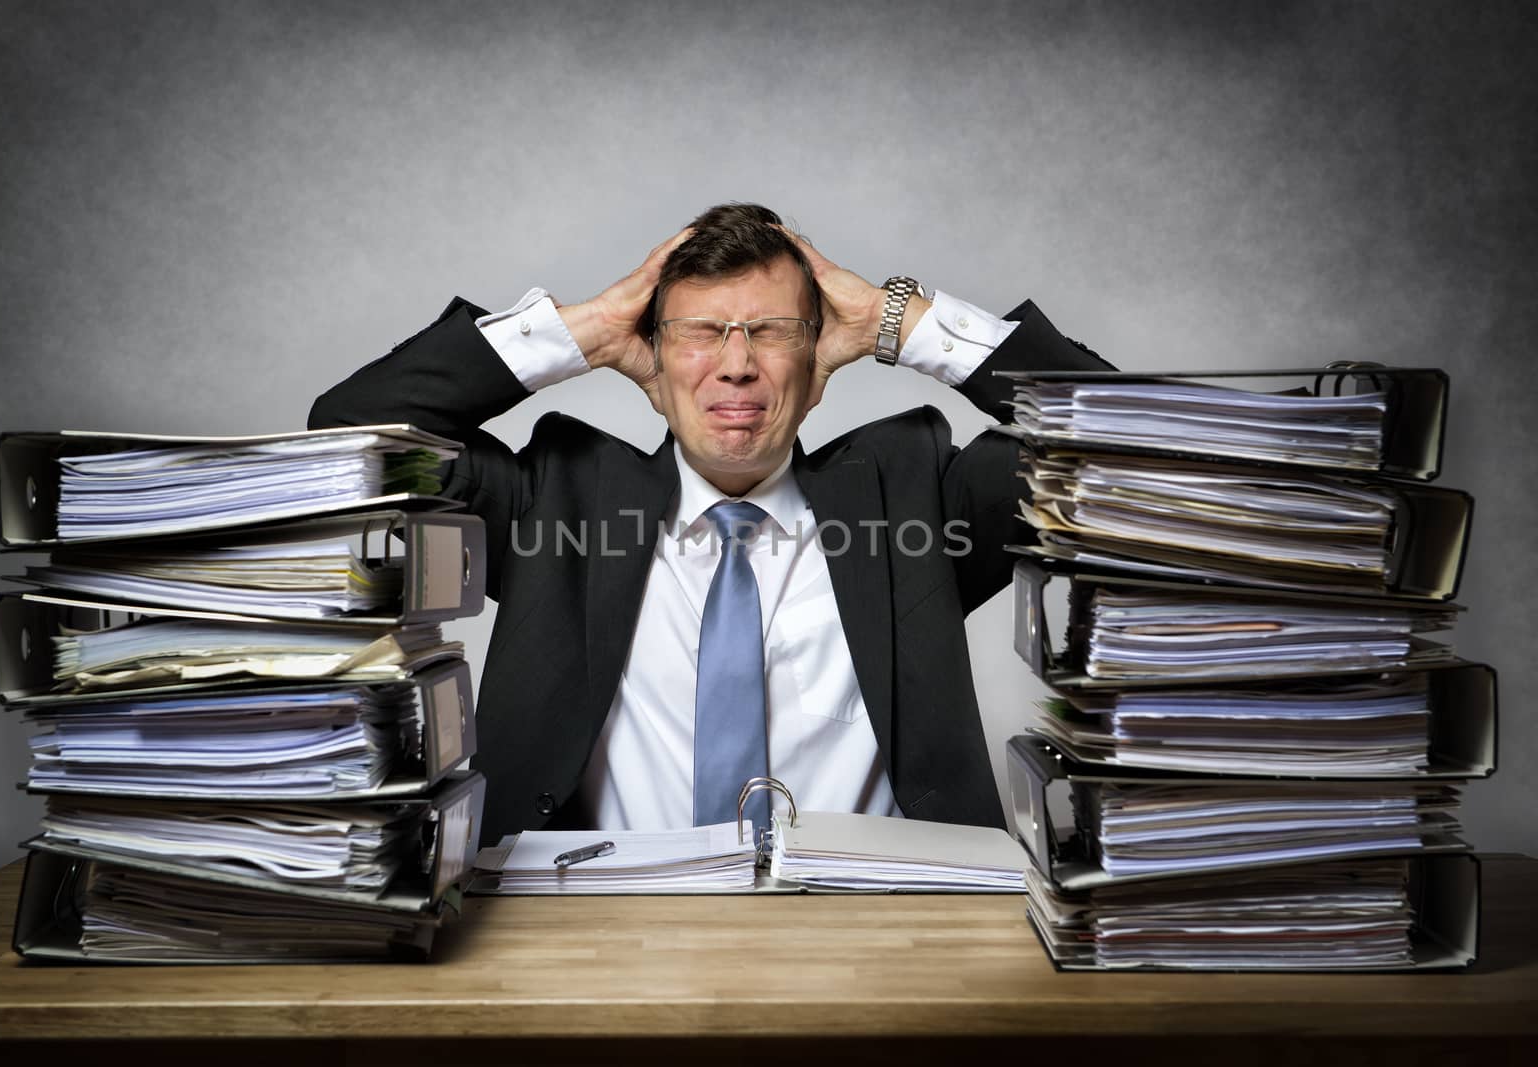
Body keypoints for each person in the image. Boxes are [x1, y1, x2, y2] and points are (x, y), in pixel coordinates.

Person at [309, 203, 1111, 844]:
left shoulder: (913, 500)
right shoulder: (553, 499)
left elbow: (1129, 441)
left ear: (818, 368)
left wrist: (901, 323)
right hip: (597, 939)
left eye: (771, 332)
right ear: (651, 365)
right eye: (699, 333)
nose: (735, 364)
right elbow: (349, 433)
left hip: (879, 937)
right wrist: (576, 333)